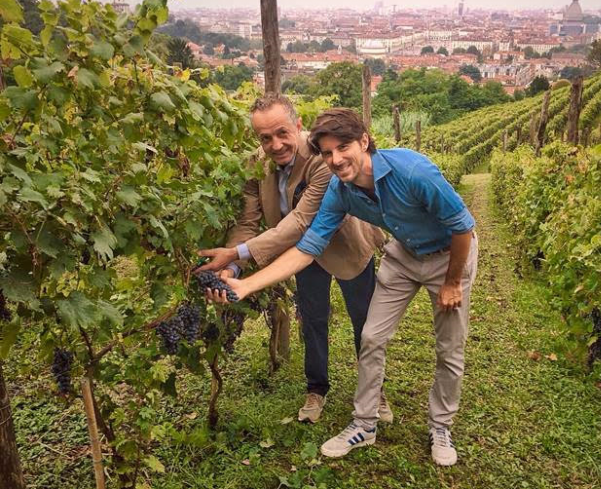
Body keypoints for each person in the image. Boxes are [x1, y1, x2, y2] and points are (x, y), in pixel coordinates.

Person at [221, 107, 478, 467]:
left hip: (449, 255)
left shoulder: (413, 171)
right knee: (371, 337)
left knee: (449, 348)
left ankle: (440, 426)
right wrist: (246, 286)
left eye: (343, 147)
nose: (336, 159)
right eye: (327, 153)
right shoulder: (340, 191)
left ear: (364, 141)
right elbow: (307, 247)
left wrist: (452, 282)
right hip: (403, 254)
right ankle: (364, 424)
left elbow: (462, 226)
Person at [198, 95, 390, 424]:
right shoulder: (255, 165)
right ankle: (316, 389)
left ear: (298, 126)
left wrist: (236, 254)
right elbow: (247, 223)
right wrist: (231, 267)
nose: (275, 144)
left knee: (365, 323)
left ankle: (375, 390)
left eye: (282, 133)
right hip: (299, 256)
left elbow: (301, 221)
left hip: (345, 247)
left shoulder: (321, 158)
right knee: (312, 320)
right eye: (265, 137)